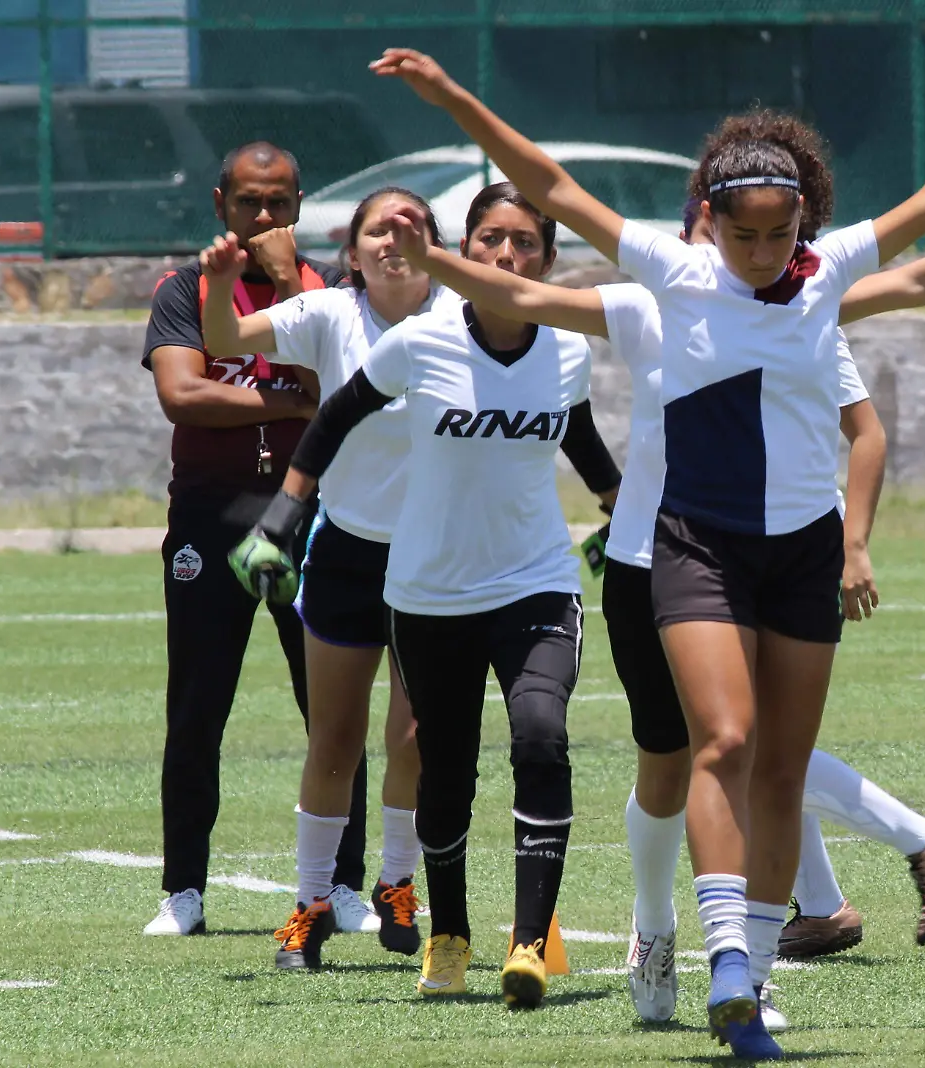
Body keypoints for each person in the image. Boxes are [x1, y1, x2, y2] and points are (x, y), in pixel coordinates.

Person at [370, 45, 925, 1058]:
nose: (762, 251)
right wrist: (450, 97)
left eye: (781, 233)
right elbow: (551, 188)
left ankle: (752, 983)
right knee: (717, 742)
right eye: (742, 233)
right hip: (694, 545)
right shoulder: (669, 275)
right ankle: (719, 954)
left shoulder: (825, 277)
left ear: (802, 222)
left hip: (803, 551)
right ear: (709, 219)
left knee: (778, 767)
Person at [229, 182, 622, 1009]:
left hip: (534, 583)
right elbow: (332, 419)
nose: (506, 257)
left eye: (524, 244)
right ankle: (447, 934)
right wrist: (282, 519)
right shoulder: (420, 341)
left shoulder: (570, 349)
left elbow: (581, 441)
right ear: (466, 251)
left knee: (542, 737)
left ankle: (526, 944)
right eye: (490, 241)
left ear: (548, 261)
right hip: (429, 592)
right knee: (442, 770)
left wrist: (629, 522)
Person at [198, 186, 463, 969]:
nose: (394, 239)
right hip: (346, 551)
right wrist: (218, 280)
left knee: (413, 737)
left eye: (411, 226)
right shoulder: (329, 314)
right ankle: (309, 907)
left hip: (435, 558)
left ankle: (396, 884)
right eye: (378, 229)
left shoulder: (460, 316)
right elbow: (222, 335)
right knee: (334, 741)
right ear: (352, 253)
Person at [140, 141, 372, 937]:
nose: (263, 216)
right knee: (199, 706)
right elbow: (183, 393)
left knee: (331, 705)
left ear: (301, 206)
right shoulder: (185, 289)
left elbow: (338, 394)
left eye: (277, 202)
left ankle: (344, 888)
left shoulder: (330, 295)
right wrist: (284, 407)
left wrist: (282, 281)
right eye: (248, 202)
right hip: (209, 514)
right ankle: (183, 890)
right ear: (220, 205)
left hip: (310, 513)